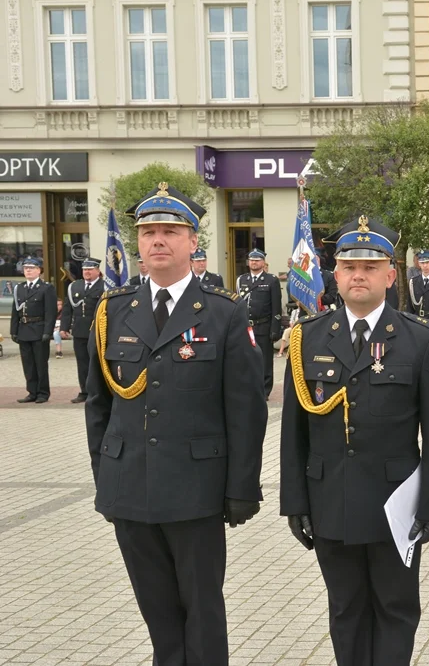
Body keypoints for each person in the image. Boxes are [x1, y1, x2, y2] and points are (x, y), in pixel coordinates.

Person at [85, 182, 266, 666]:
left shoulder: (225, 312)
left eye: (169, 231)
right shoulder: (113, 311)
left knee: (202, 610)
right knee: (157, 612)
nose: (157, 240)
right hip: (132, 487)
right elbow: (97, 406)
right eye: (148, 232)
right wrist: (106, 478)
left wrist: (241, 487)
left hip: (196, 491)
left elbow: (246, 410)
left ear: (192, 241)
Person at [279, 214, 429, 666]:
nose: (359, 274)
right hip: (329, 500)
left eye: (371, 266)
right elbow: (293, 434)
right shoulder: (306, 339)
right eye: (349, 266)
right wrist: (294, 502)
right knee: (345, 610)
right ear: (334, 274)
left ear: (391, 274)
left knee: (396, 611)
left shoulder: (420, 339)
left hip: (394, 506)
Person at [10, 257, 57, 403]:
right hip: (24, 330)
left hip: (39, 330)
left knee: (40, 364)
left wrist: (47, 332)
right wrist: (14, 331)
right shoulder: (20, 288)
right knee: (28, 364)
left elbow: (51, 312)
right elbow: (15, 311)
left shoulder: (46, 288)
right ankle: (32, 392)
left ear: (39, 270)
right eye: (26, 268)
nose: (28, 270)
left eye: (31, 268)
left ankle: (43, 393)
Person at [237, 249, 283, 399]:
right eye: (251, 260)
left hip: (263, 325)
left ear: (263, 262)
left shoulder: (271, 280)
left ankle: (264, 390)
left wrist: (275, 329)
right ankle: (249, 387)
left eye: (257, 260)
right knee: (246, 358)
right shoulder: (241, 280)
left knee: (264, 360)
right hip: (246, 326)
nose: (254, 262)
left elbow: (276, 306)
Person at [59, 256, 104, 403]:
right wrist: (64, 327)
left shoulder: (105, 286)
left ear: (98, 270)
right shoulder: (75, 286)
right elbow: (67, 309)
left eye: (90, 269)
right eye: (85, 269)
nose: (87, 272)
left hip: (97, 331)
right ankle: (84, 391)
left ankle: (98, 392)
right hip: (79, 331)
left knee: (97, 363)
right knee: (82, 363)